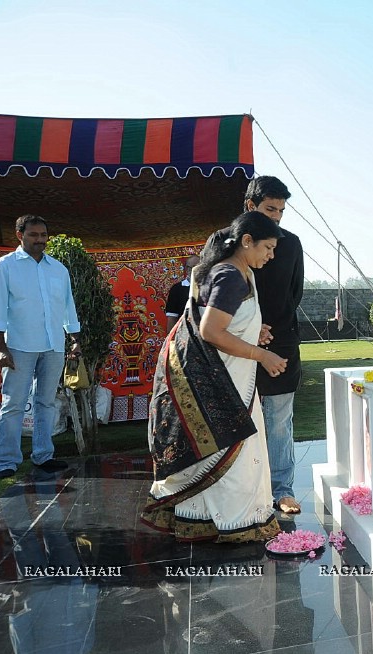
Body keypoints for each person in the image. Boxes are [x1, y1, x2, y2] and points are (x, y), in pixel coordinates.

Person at [141, 211, 287, 542]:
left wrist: (254, 331)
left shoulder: (240, 271)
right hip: (217, 376)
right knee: (231, 449)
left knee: (224, 449)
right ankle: (238, 523)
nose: (271, 255)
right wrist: (262, 354)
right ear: (246, 241)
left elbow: (225, 321)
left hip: (224, 372)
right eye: (267, 247)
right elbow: (210, 331)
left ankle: (203, 519)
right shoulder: (230, 275)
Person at [0, 215, 81, 479]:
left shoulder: (58, 269)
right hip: (19, 345)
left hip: (54, 345)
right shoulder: (4, 267)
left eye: (44, 235)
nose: (40, 240)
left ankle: (44, 456)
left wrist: (75, 340)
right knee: (14, 404)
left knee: (46, 402)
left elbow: (68, 306)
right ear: (19, 235)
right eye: (34, 235)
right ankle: (5, 462)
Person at [245, 176, 304, 515]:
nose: (277, 217)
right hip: (234, 341)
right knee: (238, 417)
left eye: (281, 210)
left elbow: (294, 295)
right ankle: (245, 488)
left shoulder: (292, 244)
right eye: (270, 209)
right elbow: (214, 295)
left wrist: (268, 331)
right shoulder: (224, 242)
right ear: (250, 205)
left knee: (279, 418)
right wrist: (251, 326)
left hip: (280, 341)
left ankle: (282, 489)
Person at [164, 254, 200, 330]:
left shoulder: (208, 286)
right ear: (187, 269)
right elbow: (172, 317)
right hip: (185, 333)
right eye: (194, 267)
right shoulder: (177, 289)